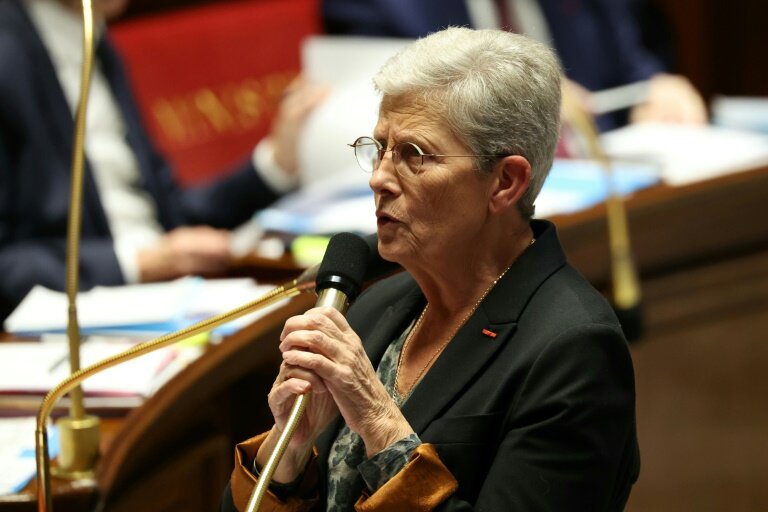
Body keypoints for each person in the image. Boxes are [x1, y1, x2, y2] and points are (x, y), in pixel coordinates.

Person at [222, 27, 639, 511]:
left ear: (505, 182)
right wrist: (288, 451)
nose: (379, 178)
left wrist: (379, 422)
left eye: (413, 156)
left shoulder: (573, 349)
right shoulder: (374, 307)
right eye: (378, 148)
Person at [0, 0, 325, 322]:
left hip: (167, 300)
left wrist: (276, 162)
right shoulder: (10, 50)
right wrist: (137, 262)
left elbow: (171, 216)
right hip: (79, 324)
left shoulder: (94, 38)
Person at [321, 0, 707, 131]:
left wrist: (656, 87)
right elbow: (390, 117)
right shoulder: (381, 6)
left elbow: (630, 64)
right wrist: (524, 100)